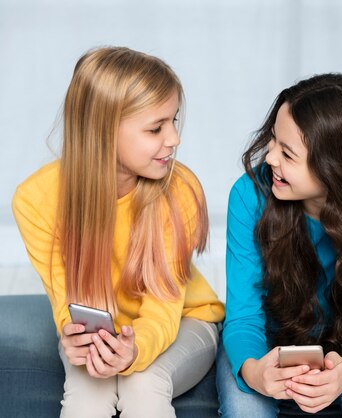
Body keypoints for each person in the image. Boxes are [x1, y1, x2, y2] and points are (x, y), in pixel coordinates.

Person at [12, 46, 225, 417]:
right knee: (86, 396)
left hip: (184, 319)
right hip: (99, 329)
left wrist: (134, 350)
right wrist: (75, 337)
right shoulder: (35, 199)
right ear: (104, 131)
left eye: (173, 121)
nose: (173, 138)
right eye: (156, 127)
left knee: (143, 384)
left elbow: (164, 305)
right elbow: (67, 300)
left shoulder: (180, 190)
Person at [217, 73, 342, 417]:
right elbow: (243, 319)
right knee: (244, 407)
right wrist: (256, 372)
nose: (270, 159)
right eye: (272, 141)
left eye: (287, 153)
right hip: (267, 346)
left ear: (337, 168)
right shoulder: (248, 194)